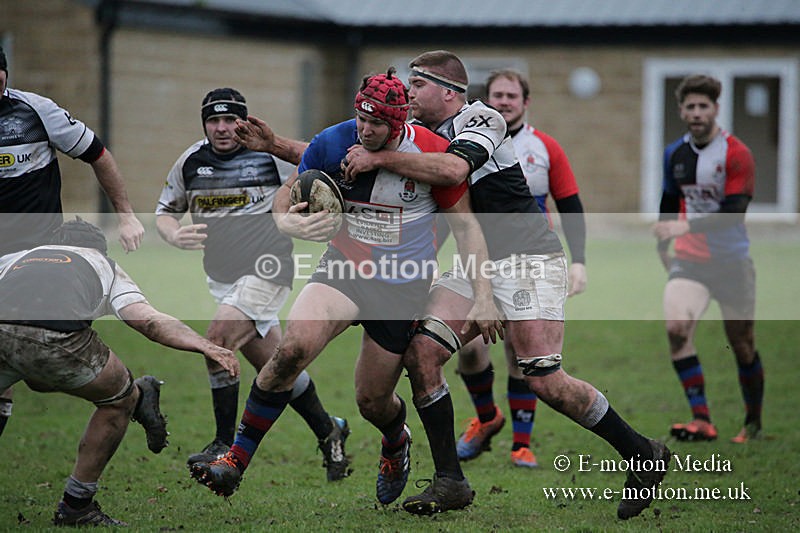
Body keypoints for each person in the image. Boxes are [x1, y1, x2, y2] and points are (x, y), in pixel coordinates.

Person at [343, 50, 668, 519]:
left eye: (418, 85)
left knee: (544, 380)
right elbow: (342, 148)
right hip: (479, 263)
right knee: (422, 351)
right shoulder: (420, 137)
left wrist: (378, 157)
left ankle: (642, 452)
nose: (409, 94)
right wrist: (277, 146)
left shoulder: (482, 117)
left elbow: (454, 171)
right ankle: (450, 480)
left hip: (530, 261)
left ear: (449, 92)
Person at [190, 68, 501, 506]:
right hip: (343, 271)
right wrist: (287, 220)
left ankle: (396, 440)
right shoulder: (333, 142)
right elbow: (289, 190)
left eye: (377, 124)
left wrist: (484, 295)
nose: (366, 130)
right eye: (361, 119)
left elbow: (467, 230)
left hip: (400, 290)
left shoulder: (429, 153)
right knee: (292, 351)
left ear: (400, 123)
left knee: (372, 402)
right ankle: (235, 460)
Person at [156, 88, 350, 480]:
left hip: (268, 269)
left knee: (218, 340)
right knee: (278, 367)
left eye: (231, 120)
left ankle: (223, 445)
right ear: (205, 123)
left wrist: (308, 215)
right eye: (214, 120)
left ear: (245, 122)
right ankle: (330, 430)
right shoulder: (192, 161)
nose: (223, 128)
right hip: (222, 279)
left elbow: (310, 181)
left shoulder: (267, 157)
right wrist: (174, 235)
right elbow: (164, 212)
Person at [0, 218, 238, 526]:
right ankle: (77, 505)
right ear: (99, 248)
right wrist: (206, 346)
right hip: (56, 337)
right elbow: (148, 322)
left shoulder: (15, 258)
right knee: (119, 398)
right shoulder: (103, 264)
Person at [0, 45, 145, 436]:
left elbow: (98, 154)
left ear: (5, 73)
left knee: (35, 368)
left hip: (37, 254)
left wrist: (126, 215)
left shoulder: (36, 112)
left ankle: (129, 394)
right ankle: (133, 396)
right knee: (21, 371)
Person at [453, 69, 588, 468]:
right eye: (497, 94)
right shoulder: (464, 142)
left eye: (512, 95)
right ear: (486, 99)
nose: (504, 101)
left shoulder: (545, 148)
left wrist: (579, 262)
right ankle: (486, 417)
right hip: (483, 256)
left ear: (525, 102)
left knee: (522, 354)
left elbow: (572, 206)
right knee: (469, 348)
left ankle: (521, 444)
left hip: (530, 260)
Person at [653, 74, 762, 444]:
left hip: (732, 262)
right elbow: (669, 201)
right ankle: (702, 419)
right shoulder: (675, 154)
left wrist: (684, 228)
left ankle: (752, 421)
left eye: (704, 106)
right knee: (676, 329)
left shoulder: (737, 153)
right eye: (690, 106)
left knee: (742, 343)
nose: (697, 113)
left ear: (716, 109)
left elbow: (734, 212)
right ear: (681, 111)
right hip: (690, 260)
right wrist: (663, 242)